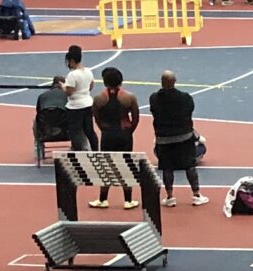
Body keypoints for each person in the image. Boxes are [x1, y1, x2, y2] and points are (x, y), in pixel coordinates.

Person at [87, 64, 143, 208]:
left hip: (108, 134)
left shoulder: (99, 98)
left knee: (106, 165)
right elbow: (136, 118)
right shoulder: (129, 97)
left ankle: (103, 199)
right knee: (126, 165)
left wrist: (104, 130)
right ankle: (128, 200)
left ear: (105, 82)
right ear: (121, 81)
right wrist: (129, 131)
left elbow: (97, 118)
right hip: (124, 134)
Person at [147, 72, 204, 207]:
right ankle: (196, 194)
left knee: (167, 167)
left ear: (161, 81)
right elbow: (189, 111)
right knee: (190, 165)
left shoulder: (154, 98)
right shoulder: (185, 98)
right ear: (175, 81)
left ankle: (170, 196)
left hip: (163, 139)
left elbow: (154, 111)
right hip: (184, 137)